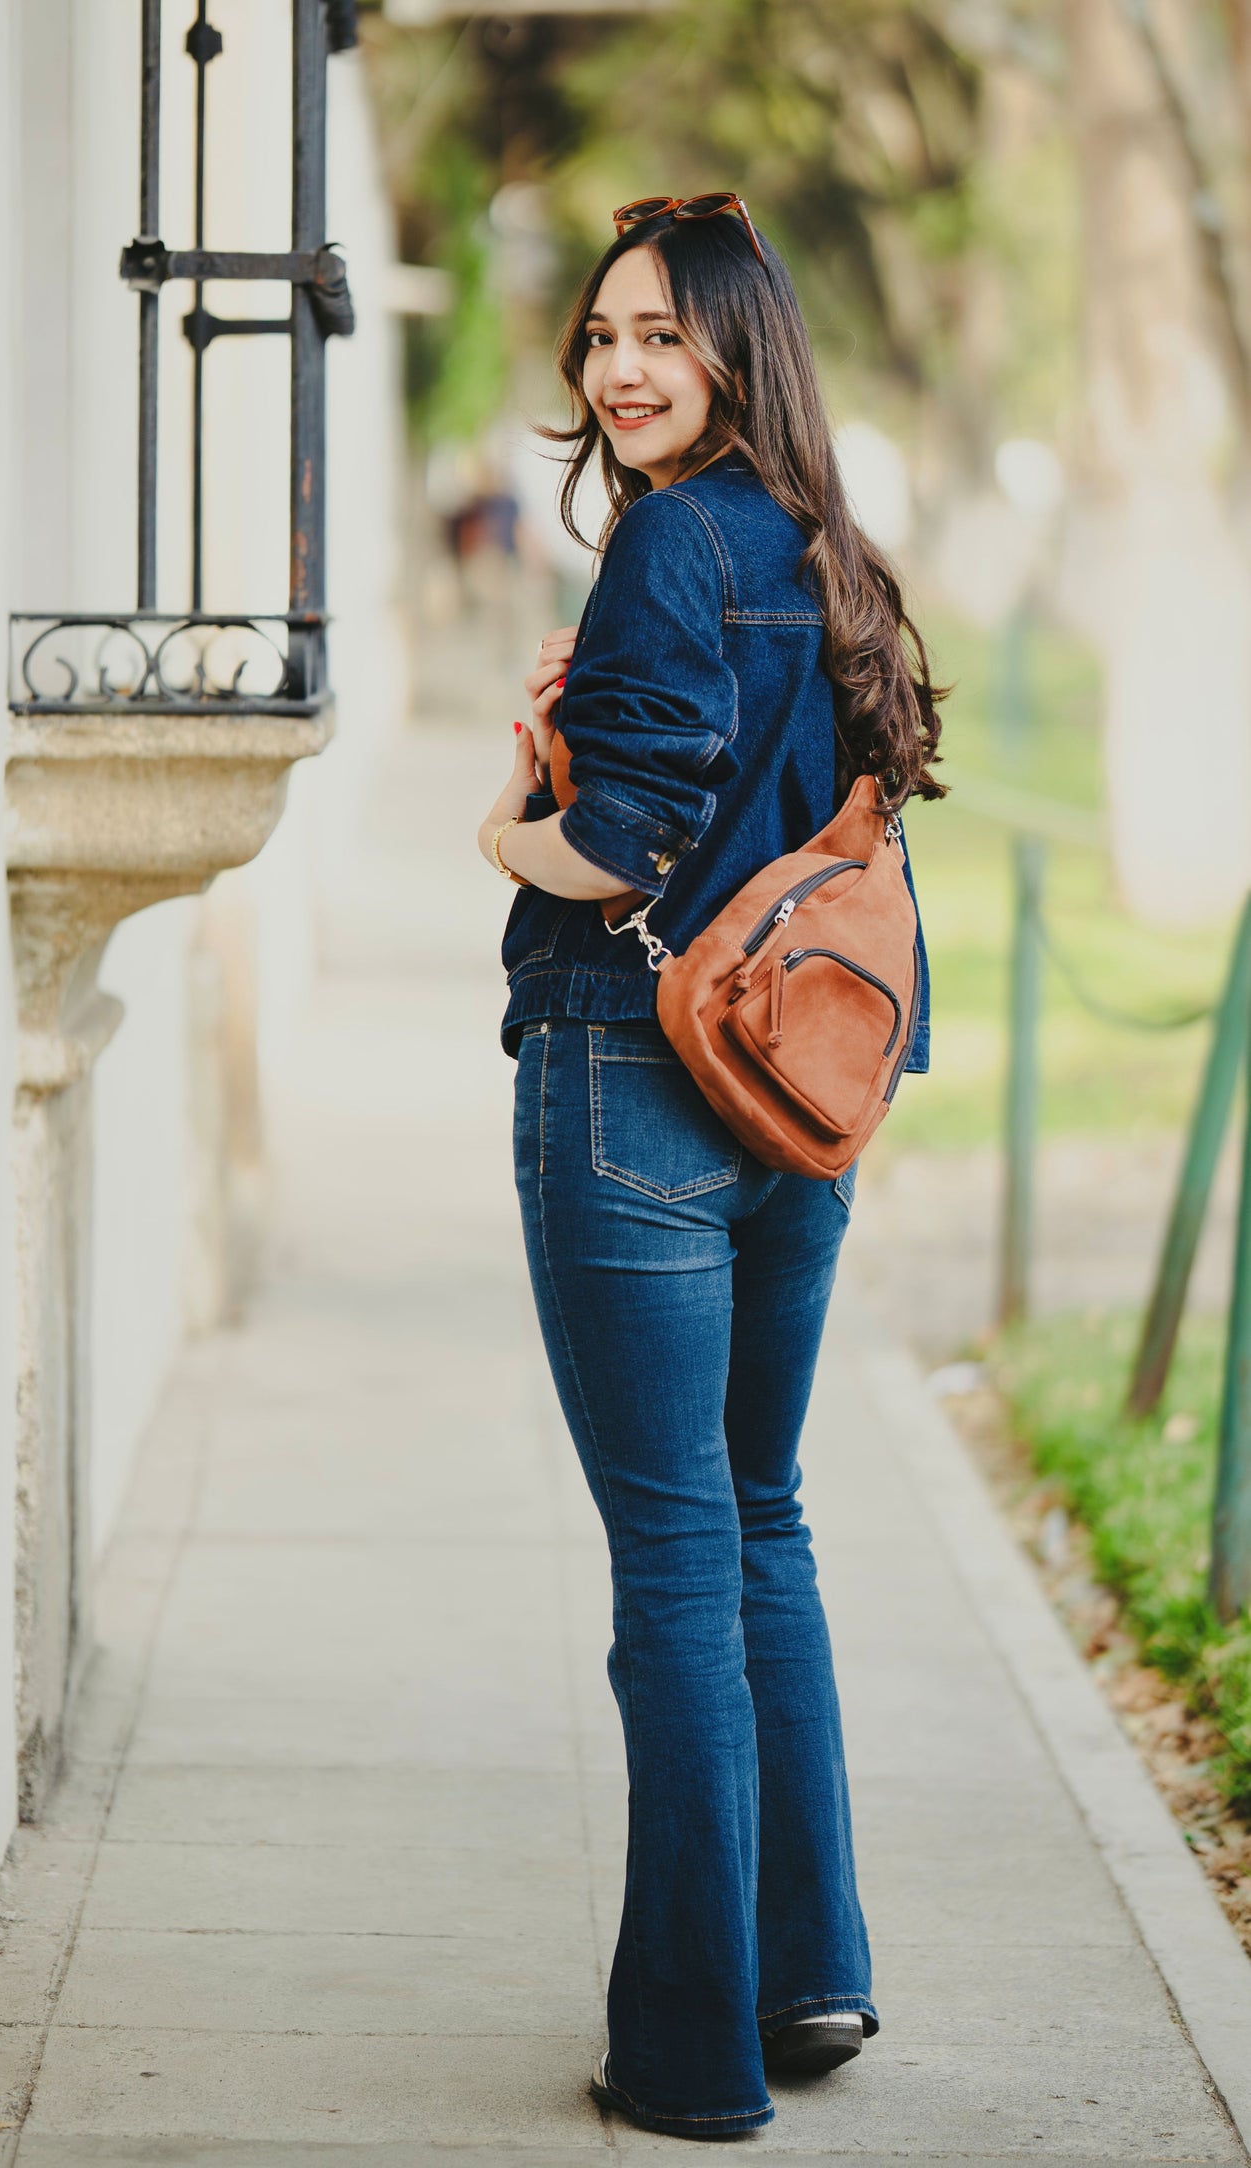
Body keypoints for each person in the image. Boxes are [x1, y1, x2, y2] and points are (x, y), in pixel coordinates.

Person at [475, 194, 943, 2142]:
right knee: (762, 1518)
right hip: (800, 1108)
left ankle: (688, 2052)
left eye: (660, 331)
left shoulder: (670, 540)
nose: (620, 369)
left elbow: (630, 840)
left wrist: (511, 824)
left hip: (634, 1086)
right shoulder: (827, 555)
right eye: (599, 337)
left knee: (681, 1549)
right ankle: (806, 1964)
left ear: (742, 343)